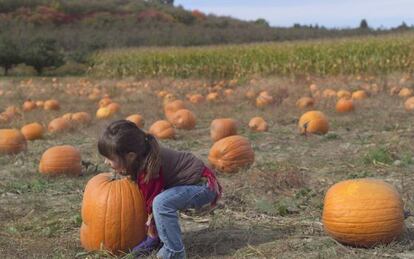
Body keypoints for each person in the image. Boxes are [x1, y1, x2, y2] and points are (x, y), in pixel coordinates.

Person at [98, 120, 222, 258]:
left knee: (161, 203)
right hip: (192, 185)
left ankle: (174, 252)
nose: (105, 162)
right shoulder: (142, 157)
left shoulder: (150, 169)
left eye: (109, 158)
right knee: (161, 202)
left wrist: (152, 238)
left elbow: (151, 203)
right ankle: (163, 240)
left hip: (203, 186)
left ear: (131, 156)